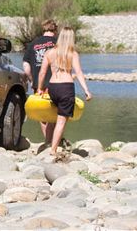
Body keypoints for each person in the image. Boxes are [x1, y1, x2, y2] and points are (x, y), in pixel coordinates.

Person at [37, 27, 93, 155]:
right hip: (66, 88)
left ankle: (49, 142)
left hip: (52, 87)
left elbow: (42, 73)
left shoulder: (49, 53)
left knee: (53, 117)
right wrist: (86, 90)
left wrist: (40, 89)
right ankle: (53, 149)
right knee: (61, 121)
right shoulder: (72, 54)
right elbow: (78, 73)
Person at [23, 19, 58, 143]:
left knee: (42, 114)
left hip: (39, 84)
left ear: (43, 29)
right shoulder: (58, 43)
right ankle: (55, 141)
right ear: (55, 30)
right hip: (56, 82)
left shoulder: (33, 44)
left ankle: (47, 141)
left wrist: (33, 80)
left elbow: (26, 67)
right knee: (55, 113)